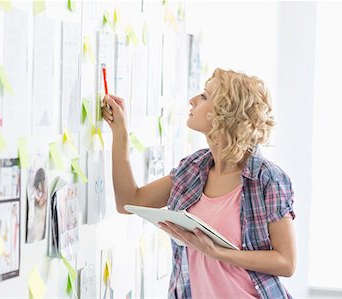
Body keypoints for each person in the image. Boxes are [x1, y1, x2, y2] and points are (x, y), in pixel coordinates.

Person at [102, 68, 296, 299]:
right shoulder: (193, 168)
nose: (192, 100)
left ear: (227, 114)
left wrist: (217, 252)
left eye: (204, 96)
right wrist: (120, 133)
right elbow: (128, 202)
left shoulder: (267, 179)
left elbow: (286, 262)